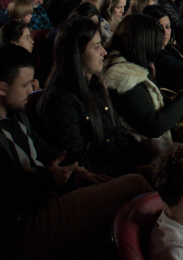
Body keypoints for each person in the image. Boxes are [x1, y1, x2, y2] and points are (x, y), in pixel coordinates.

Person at [0, 44, 152, 260]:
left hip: (45, 198)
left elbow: (41, 149)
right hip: (23, 225)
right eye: (25, 84)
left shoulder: (13, 110)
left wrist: (75, 170)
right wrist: (47, 180)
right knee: (136, 186)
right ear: (1, 88)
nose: (32, 89)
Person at [37, 18, 143, 176]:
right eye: (96, 47)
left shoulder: (95, 84)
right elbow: (80, 163)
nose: (104, 52)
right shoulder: (59, 99)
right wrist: (133, 172)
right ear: (77, 54)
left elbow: (117, 133)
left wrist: (140, 163)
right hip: (97, 180)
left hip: (118, 169)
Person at [99, 14, 183, 153]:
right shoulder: (124, 78)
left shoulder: (125, 65)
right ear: (143, 44)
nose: (158, 50)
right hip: (141, 154)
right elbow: (154, 126)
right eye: (155, 45)